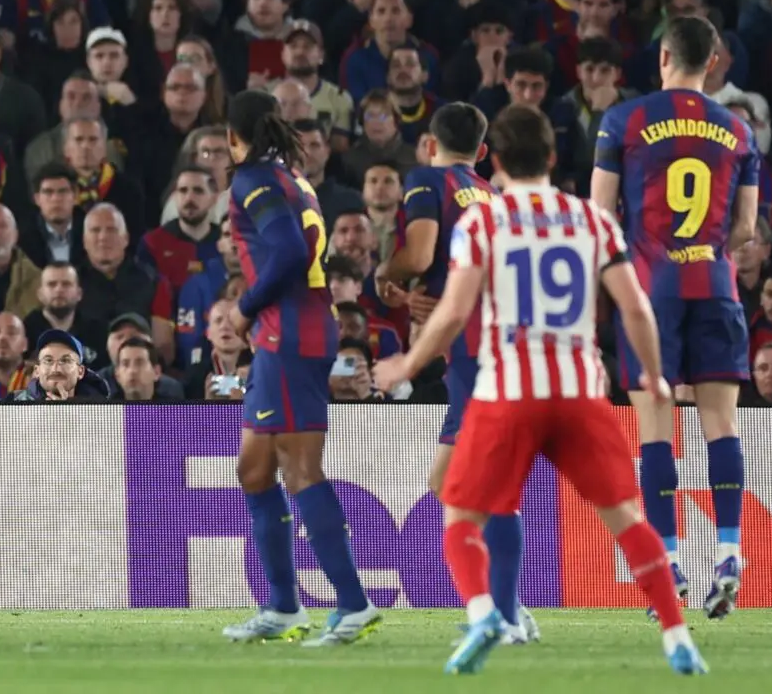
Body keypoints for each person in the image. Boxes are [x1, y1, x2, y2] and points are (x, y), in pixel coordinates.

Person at [374, 105, 708, 676]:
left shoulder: (483, 222)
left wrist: (406, 365)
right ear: (553, 158)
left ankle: (486, 611)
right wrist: (654, 374)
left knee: (460, 513)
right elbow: (635, 307)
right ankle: (677, 636)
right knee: (628, 518)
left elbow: (454, 312)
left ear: (495, 161)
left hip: (508, 388)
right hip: (579, 388)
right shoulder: (592, 221)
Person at [590, 16, 759, 620]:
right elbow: (745, 227)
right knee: (721, 425)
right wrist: (707, 249)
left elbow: (601, 215)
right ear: (713, 60)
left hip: (650, 293)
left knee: (657, 430)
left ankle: (670, 562)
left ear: (663, 56)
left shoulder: (624, 121)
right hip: (715, 287)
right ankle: (732, 553)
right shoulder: (738, 129)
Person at [219, 90, 379, 646]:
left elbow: (287, 253)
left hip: (289, 331)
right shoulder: (293, 179)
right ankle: (284, 608)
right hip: (291, 329)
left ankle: (354, 602)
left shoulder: (253, 180)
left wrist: (244, 306)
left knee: (300, 469)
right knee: (254, 470)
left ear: (232, 135)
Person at [374, 103, 535, 643]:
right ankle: (509, 607)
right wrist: (441, 303)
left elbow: (418, 256)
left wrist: (386, 272)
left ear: (428, 145)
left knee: (476, 488)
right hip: (497, 343)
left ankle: (508, 613)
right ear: (483, 154)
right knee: (450, 483)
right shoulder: (493, 195)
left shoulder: (428, 180)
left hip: (475, 352)